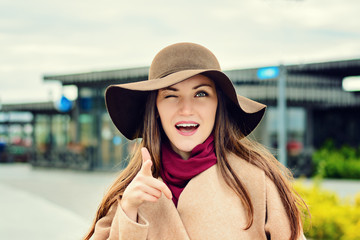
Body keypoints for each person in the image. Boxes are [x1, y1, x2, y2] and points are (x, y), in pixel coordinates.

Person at [83, 42, 307, 240]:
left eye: (201, 94)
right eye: (170, 95)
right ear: (156, 109)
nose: (186, 109)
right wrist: (129, 212)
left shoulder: (256, 180)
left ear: (218, 105)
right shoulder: (130, 192)